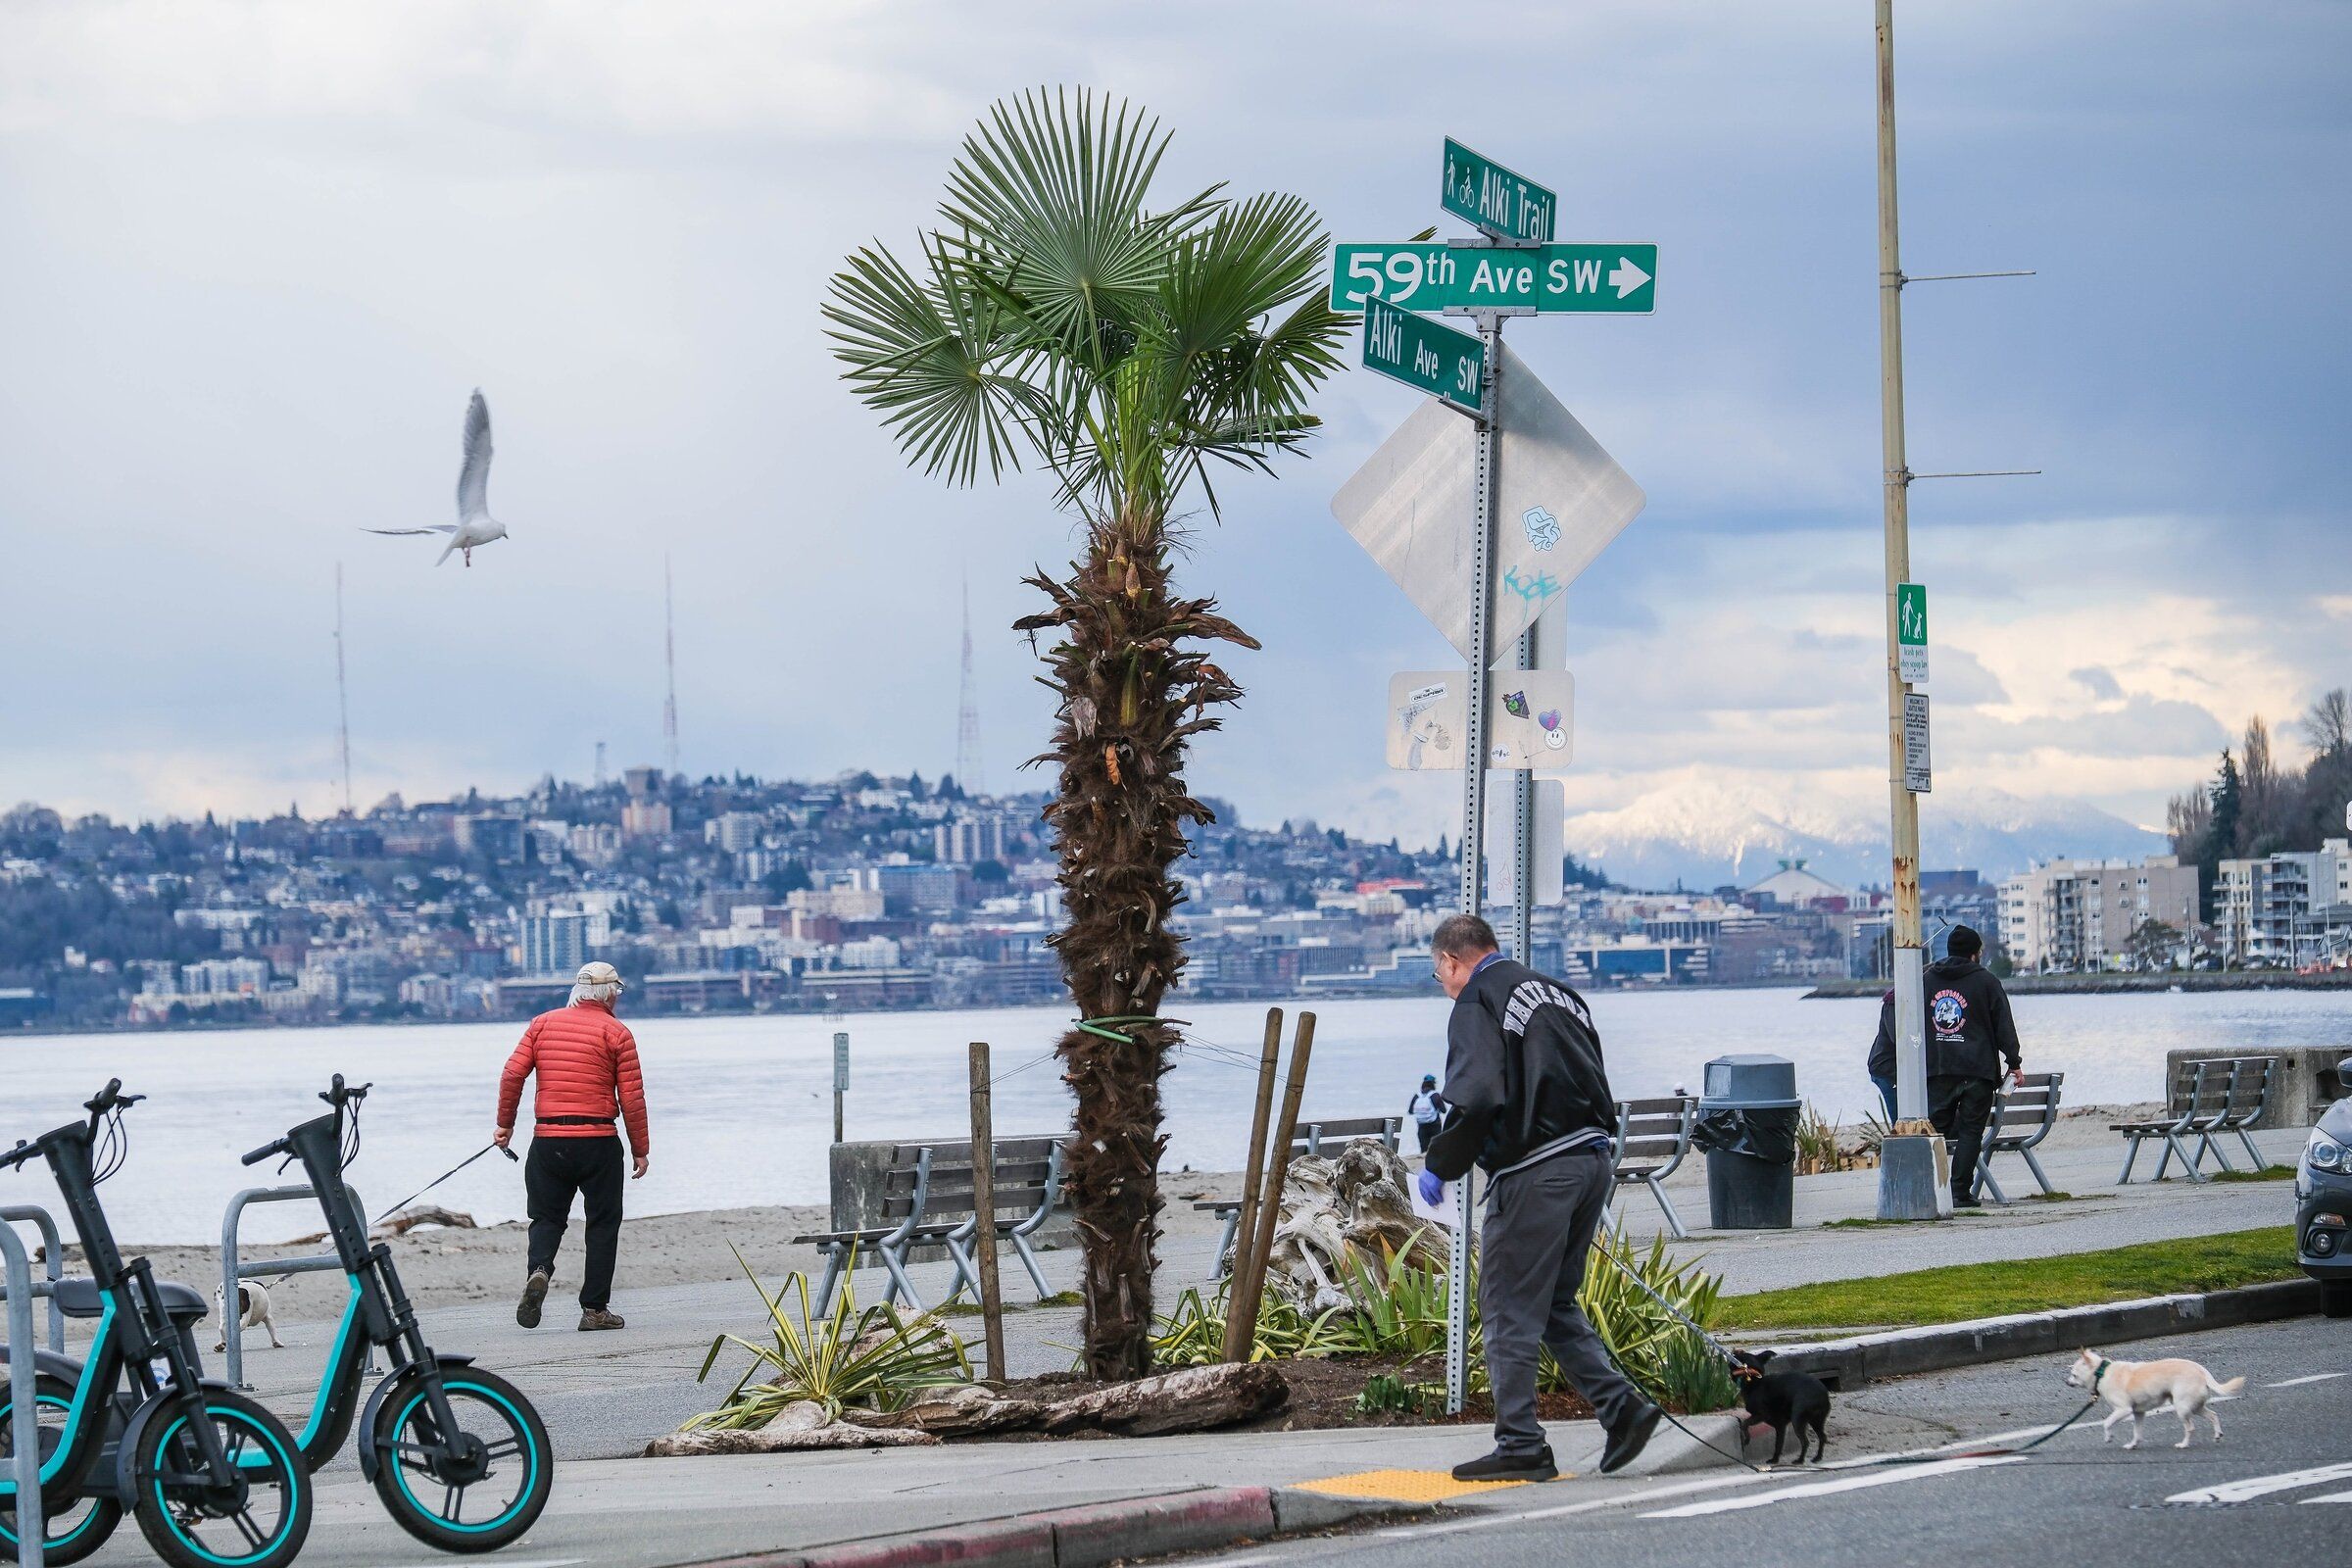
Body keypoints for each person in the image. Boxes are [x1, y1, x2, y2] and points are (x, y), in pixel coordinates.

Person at [1417, 914, 1661, 1482]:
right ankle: (1622, 1408)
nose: (1444, 985)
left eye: (1439, 974)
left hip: (1535, 1170)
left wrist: (1440, 1164)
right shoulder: (1560, 993)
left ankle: (1521, 1442)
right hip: (1591, 1160)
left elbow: (1479, 1095)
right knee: (1552, 1303)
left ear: (1451, 961)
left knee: (1506, 1307)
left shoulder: (1477, 999)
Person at [496, 960, 650, 1331]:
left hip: (549, 1140)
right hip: (598, 1141)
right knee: (602, 1223)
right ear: (610, 993)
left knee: (546, 1218)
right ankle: (594, 1310)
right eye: (617, 991)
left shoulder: (542, 1024)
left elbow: (513, 1073)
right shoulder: (618, 1033)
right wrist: (640, 1148)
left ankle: (539, 1270)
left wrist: (504, 1125)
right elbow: (631, 1097)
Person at [1922, 925, 2022, 1209]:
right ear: (1975, 954)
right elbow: (2004, 1024)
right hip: (1978, 1070)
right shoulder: (1986, 981)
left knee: (1934, 1132)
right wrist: (2014, 1062)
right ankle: (1958, 1192)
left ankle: (1931, 1189)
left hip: (1939, 1068)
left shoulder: (1927, 980)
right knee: (1970, 1131)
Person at [1868, 989, 1898, 1123]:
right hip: (1886, 1068)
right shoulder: (1893, 1002)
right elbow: (1898, 1037)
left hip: (1889, 1066)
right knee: (1901, 1121)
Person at [1406, 1074, 1446, 1152]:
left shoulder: (1417, 1096)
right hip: (1435, 1126)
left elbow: (1410, 1111)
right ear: (1433, 1084)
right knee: (1436, 1148)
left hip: (1422, 1126)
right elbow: (1444, 1110)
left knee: (1424, 1150)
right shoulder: (1435, 1095)